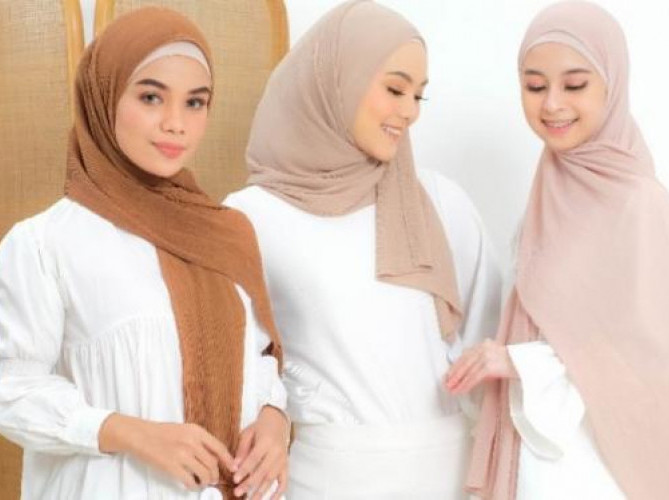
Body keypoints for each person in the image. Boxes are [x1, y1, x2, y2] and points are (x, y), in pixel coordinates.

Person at [0, 7, 289, 500]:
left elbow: (259, 358)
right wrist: (130, 433)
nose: (176, 124)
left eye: (195, 102)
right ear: (104, 97)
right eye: (151, 96)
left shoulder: (226, 232)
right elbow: (9, 386)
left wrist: (274, 418)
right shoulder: (46, 244)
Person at [223, 1, 501, 498]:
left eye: (419, 95)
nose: (409, 111)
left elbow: (494, 345)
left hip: (452, 478)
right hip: (329, 480)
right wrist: (272, 411)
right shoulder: (254, 215)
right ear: (337, 80)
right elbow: (238, 364)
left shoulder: (440, 201)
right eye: (395, 89)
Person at [445, 2, 669, 499]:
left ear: (612, 85)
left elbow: (662, 357)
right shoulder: (545, 197)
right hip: (540, 453)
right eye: (534, 86)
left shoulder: (640, 202)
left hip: (603, 465)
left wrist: (519, 362)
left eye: (575, 85)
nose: (552, 105)